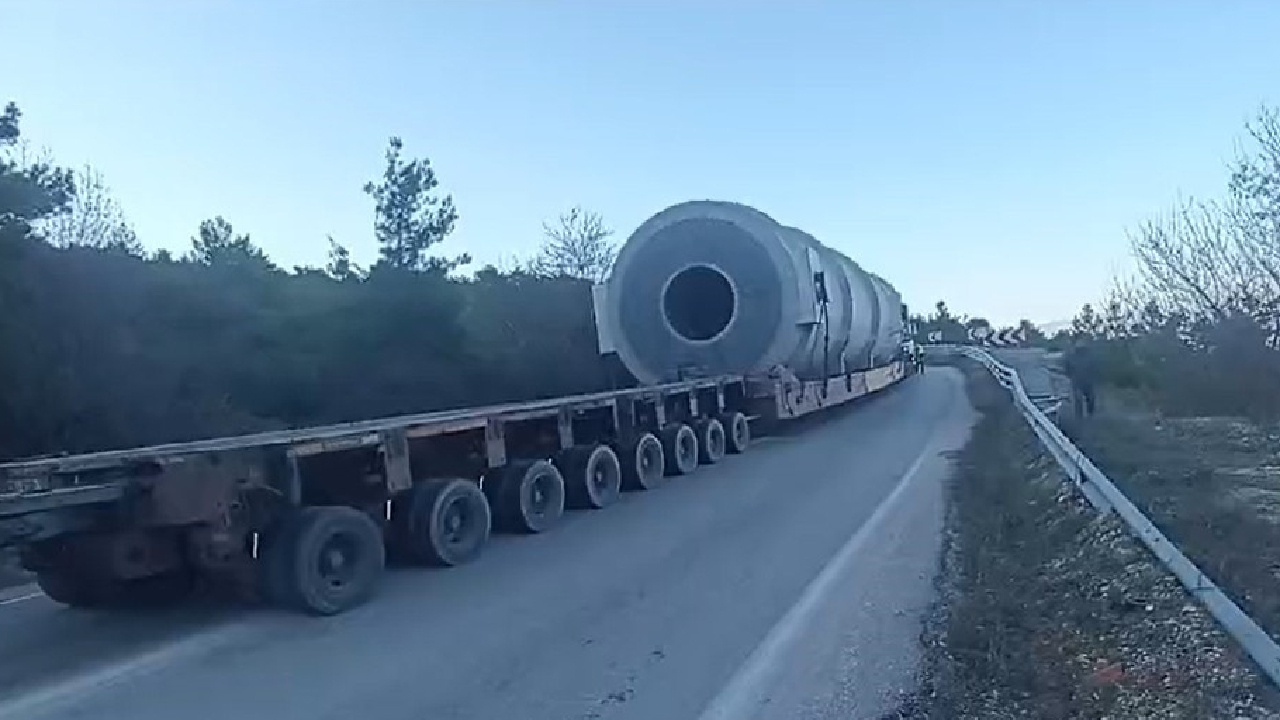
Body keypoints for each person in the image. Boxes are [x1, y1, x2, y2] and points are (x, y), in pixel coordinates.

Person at [1064, 340, 1098, 418]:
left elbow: (1094, 368)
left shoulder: (1089, 357)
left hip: (1086, 381)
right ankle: (1080, 417)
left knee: (1090, 398)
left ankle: (1089, 415)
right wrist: (1071, 376)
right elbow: (1067, 368)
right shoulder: (1072, 357)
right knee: (1079, 399)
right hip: (1078, 381)